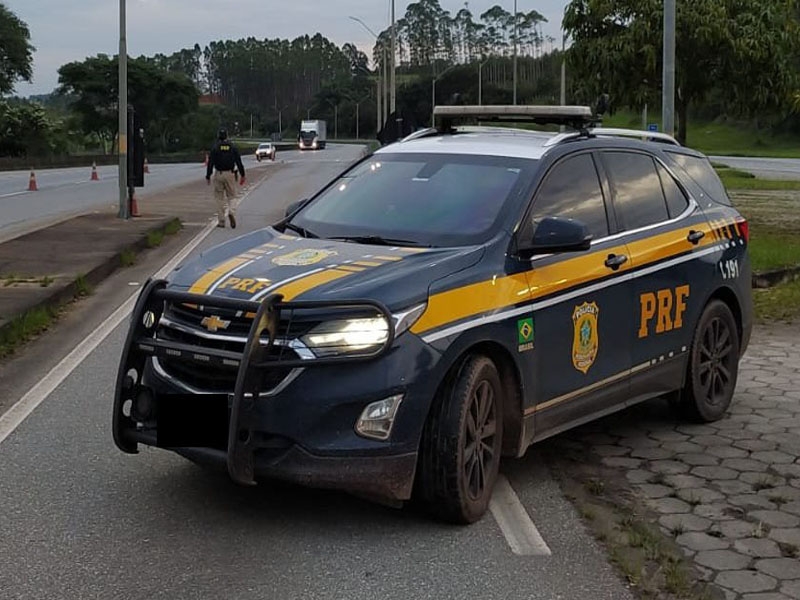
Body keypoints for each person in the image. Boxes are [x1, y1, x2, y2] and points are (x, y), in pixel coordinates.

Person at [206, 128, 246, 228]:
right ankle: (231, 212)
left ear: (218, 136)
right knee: (232, 196)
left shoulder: (215, 147)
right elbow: (238, 162)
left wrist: (208, 175)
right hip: (230, 173)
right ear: (227, 136)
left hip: (219, 174)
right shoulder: (232, 147)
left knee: (219, 197)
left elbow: (210, 163)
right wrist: (242, 175)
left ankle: (221, 221)